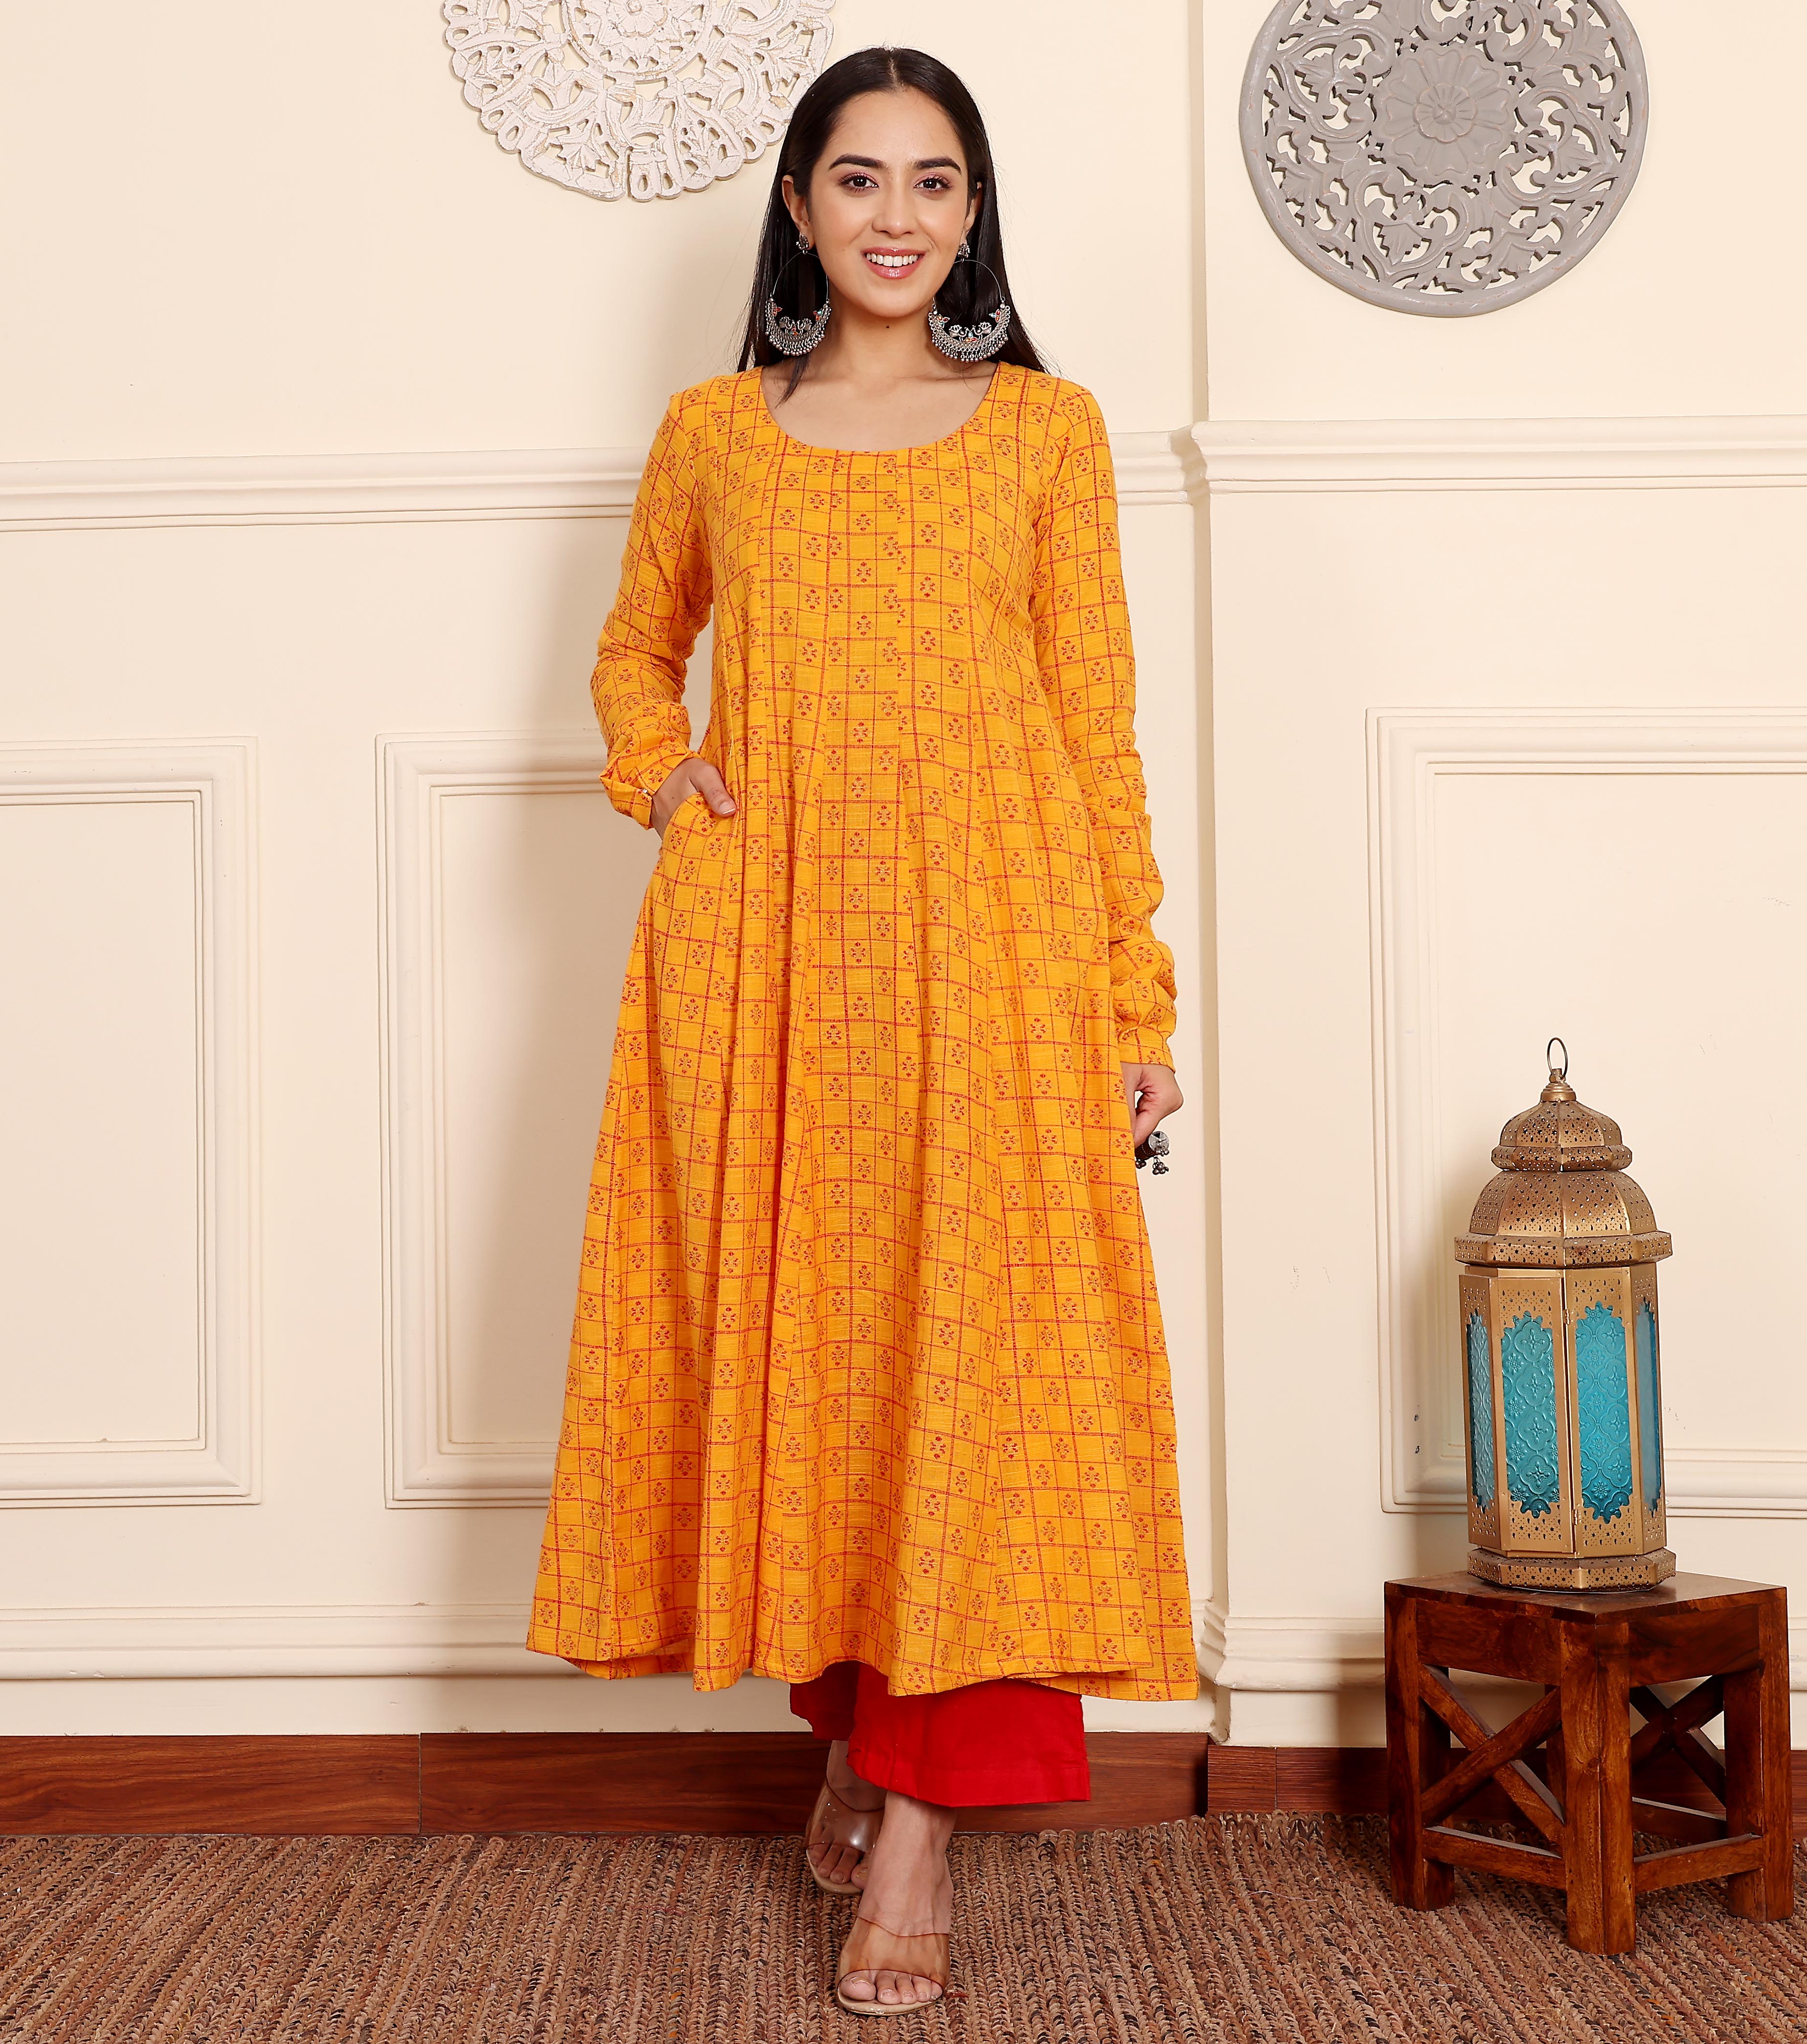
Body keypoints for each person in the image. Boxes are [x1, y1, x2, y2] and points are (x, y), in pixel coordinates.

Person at [526, 43, 1196, 2017]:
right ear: (799, 206)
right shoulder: (714, 434)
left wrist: (1133, 994)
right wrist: (660, 775)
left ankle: (919, 1827)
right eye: (859, 178)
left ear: (974, 212)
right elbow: (635, 650)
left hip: (999, 964)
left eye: (934, 181)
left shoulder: (1050, 433)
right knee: (823, 1362)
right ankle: (853, 1725)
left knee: (984, 1377)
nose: (897, 216)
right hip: (774, 964)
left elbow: (1099, 735)